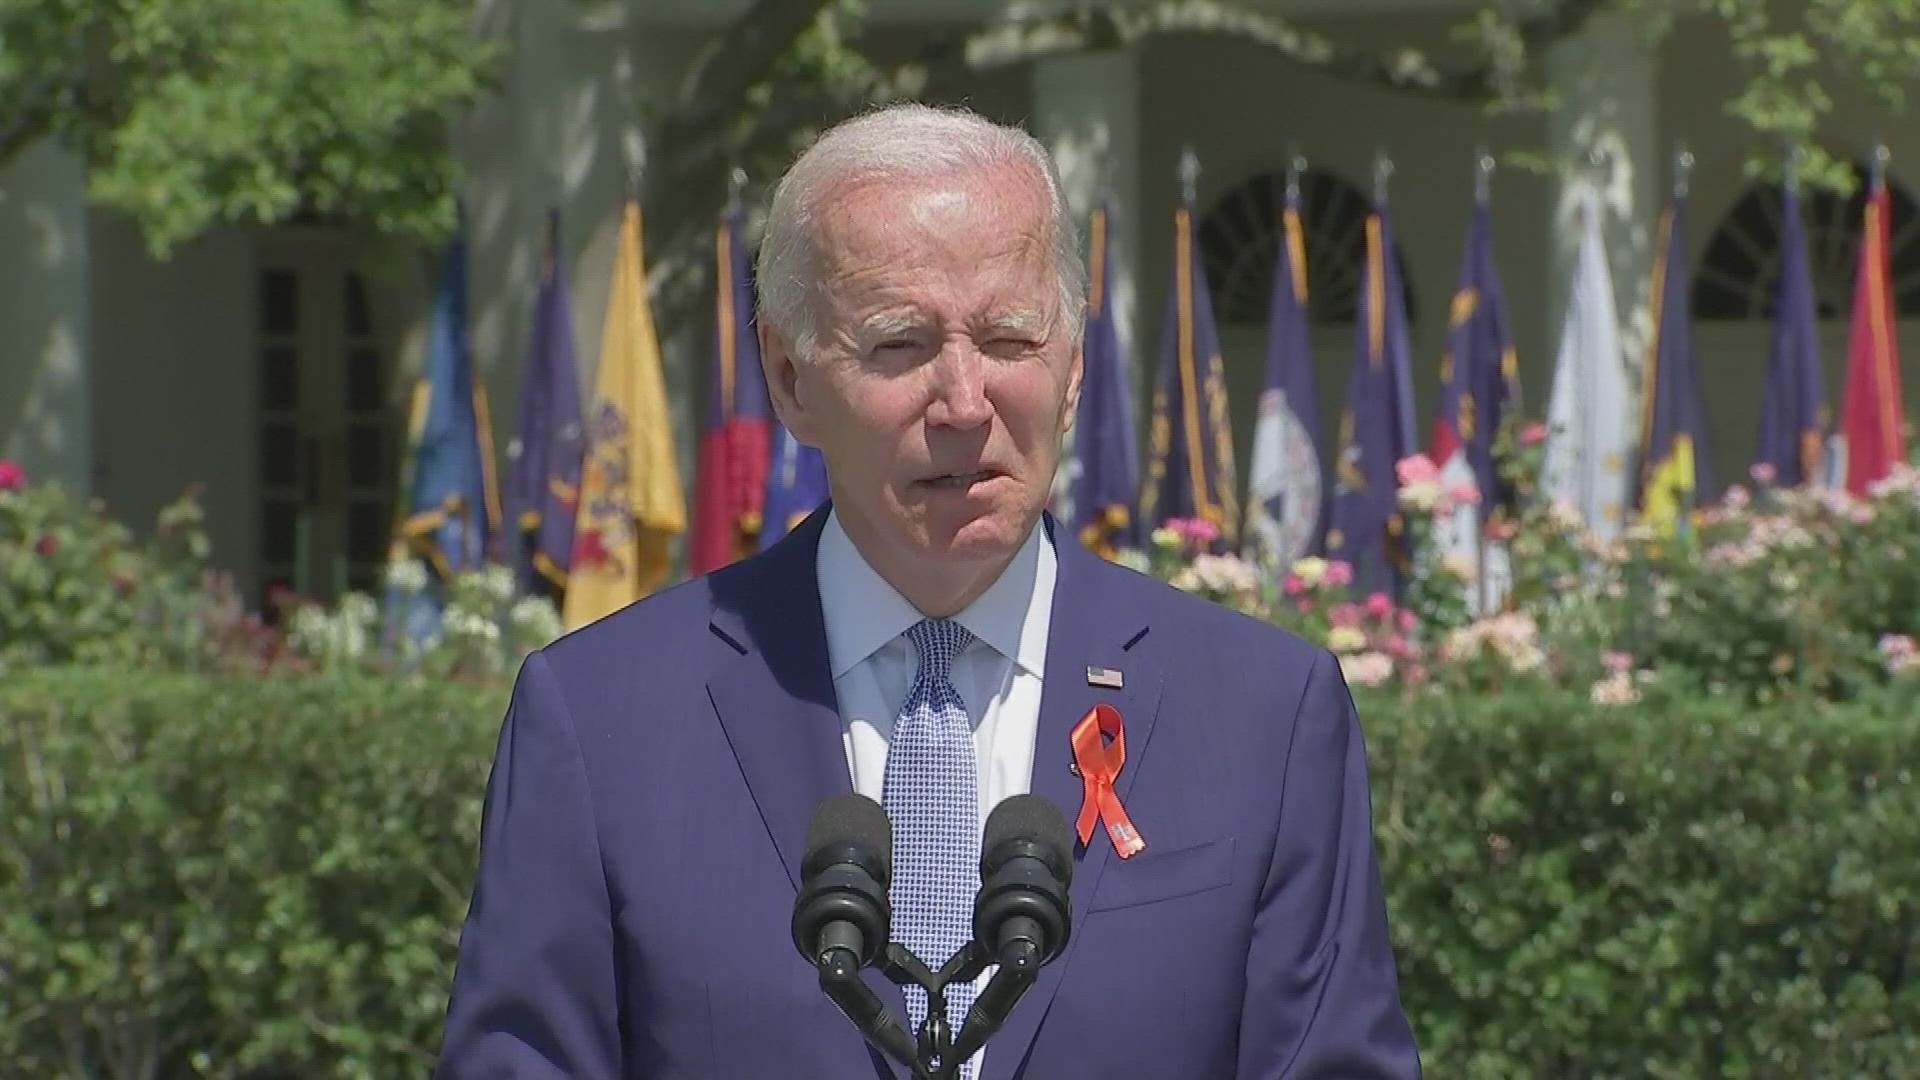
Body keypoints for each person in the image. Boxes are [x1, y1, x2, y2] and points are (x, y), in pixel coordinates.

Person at [437, 102, 1421, 1079]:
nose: (963, 403)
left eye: (1008, 340)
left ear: (1074, 369)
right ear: (789, 378)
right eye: (901, 344)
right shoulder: (603, 718)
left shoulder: (1262, 713)